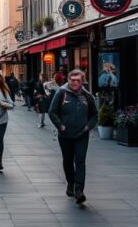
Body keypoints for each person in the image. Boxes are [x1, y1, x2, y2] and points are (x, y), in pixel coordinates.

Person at [48, 70, 97, 205]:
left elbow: (94, 114)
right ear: (68, 80)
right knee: (68, 160)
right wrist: (60, 126)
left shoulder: (87, 96)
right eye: (72, 80)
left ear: (82, 81)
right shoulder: (61, 93)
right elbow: (52, 112)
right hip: (65, 134)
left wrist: (88, 126)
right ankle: (70, 182)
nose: (75, 82)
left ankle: (79, 190)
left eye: (78, 80)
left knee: (80, 161)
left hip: (82, 135)